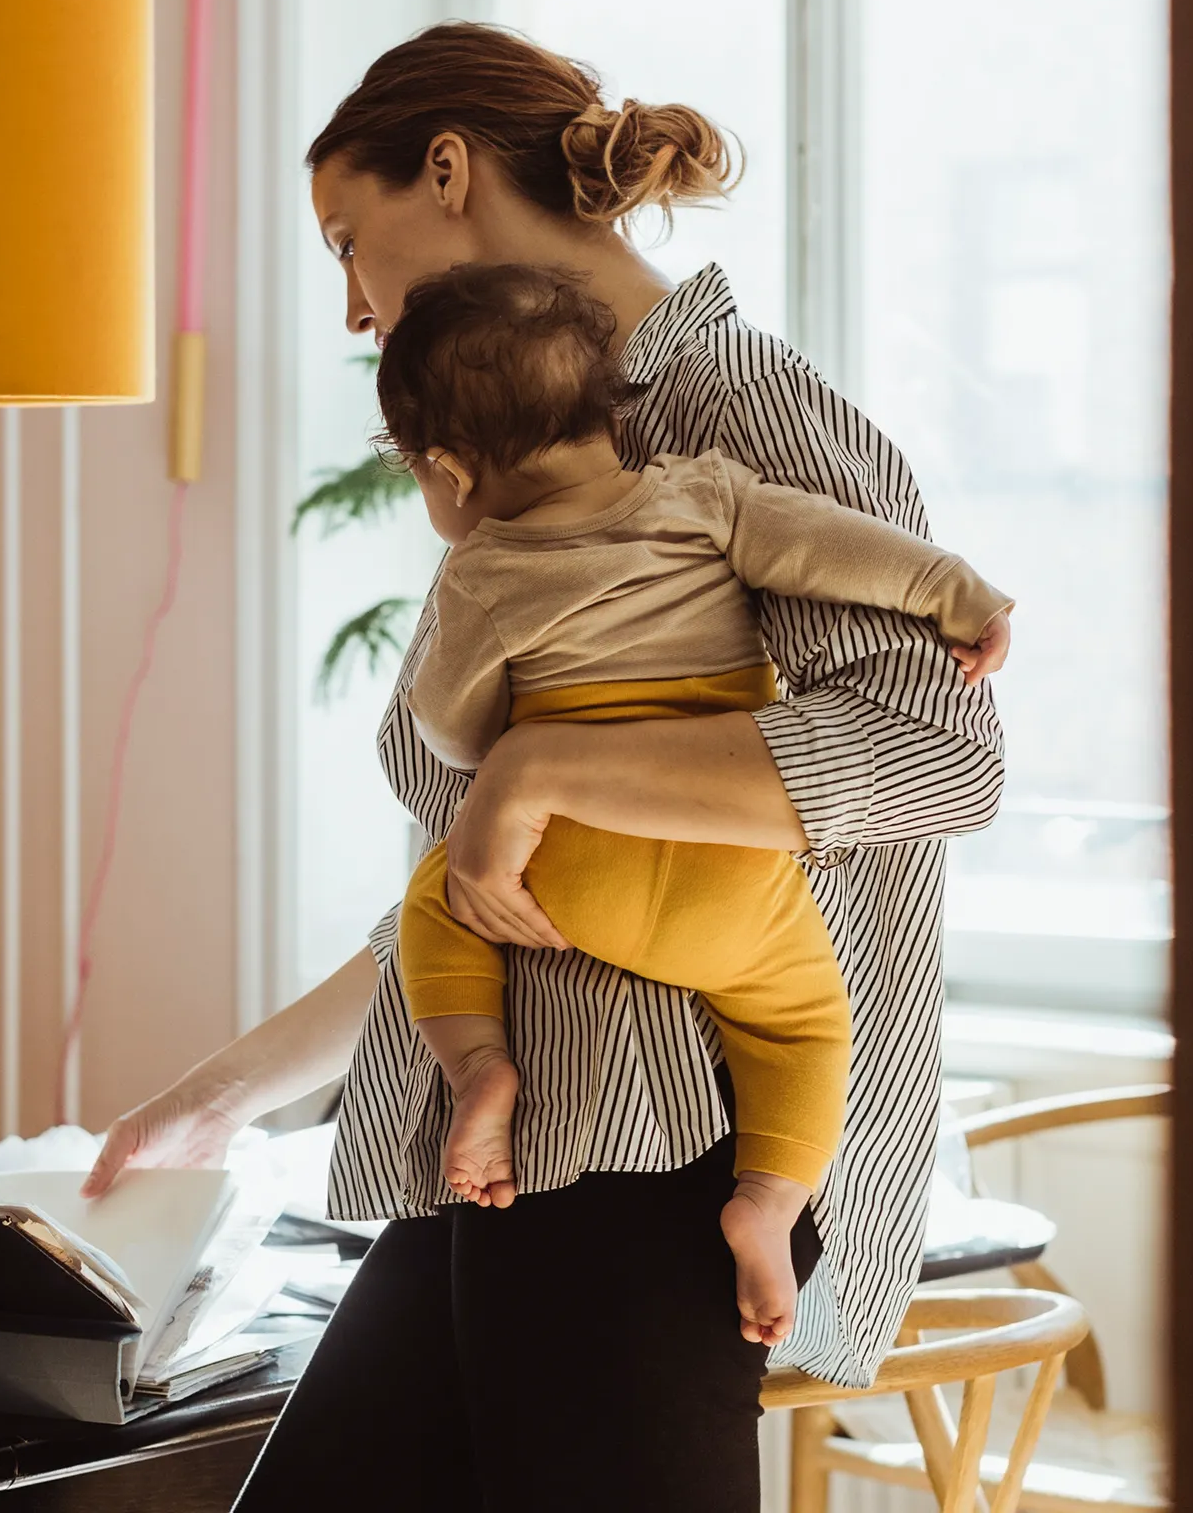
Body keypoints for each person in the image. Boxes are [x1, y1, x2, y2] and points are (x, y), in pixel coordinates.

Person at [82, 23, 1004, 1512]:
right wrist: (232, 1092)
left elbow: (935, 755)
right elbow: (507, 886)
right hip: (513, 1147)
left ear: (445, 172)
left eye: (348, 242)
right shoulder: (525, 449)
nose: (350, 305)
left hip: (664, 1160)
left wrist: (547, 768)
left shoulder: (735, 415)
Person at [376, 261, 1013, 1346]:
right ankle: (766, 1204)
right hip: (734, 892)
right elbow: (835, 550)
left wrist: (506, 742)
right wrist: (956, 591)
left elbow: (449, 729)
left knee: (440, 894)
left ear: (449, 468)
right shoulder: (703, 494)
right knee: (809, 1025)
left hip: (572, 876)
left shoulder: (483, 572)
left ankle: (480, 1064)